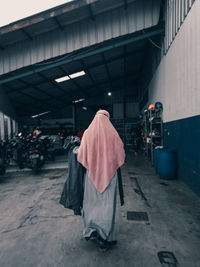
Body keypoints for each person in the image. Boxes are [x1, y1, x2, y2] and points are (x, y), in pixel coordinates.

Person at [77, 109, 125, 252]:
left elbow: (81, 155)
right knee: (107, 207)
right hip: (109, 177)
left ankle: (91, 231)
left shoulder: (88, 133)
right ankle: (106, 237)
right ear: (107, 118)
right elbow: (120, 152)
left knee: (91, 205)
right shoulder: (112, 133)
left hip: (91, 177)